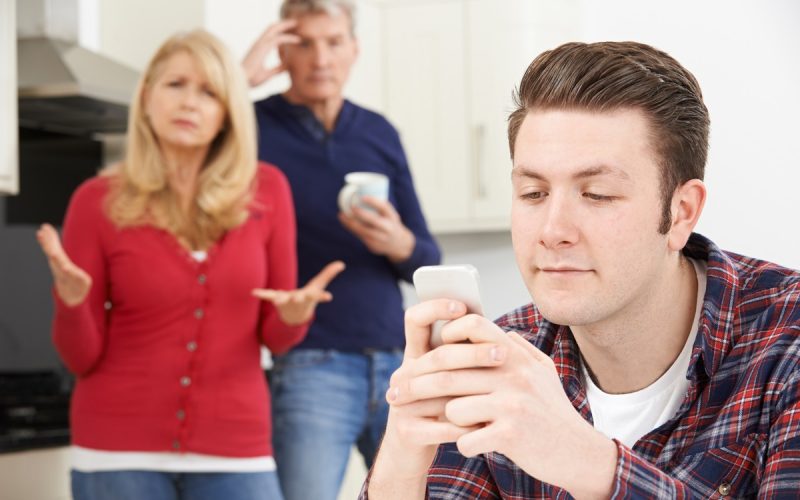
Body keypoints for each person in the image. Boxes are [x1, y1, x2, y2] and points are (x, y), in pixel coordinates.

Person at [364, 41, 800, 498]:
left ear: (681, 212)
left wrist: (587, 462)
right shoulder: (507, 361)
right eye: (533, 194)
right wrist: (402, 461)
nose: (553, 231)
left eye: (597, 195)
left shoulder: (785, 339)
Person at [36, 29, 343, 500]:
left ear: (226, 113)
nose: (189, 103)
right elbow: (79, 358)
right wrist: (72, 302)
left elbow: (276, 339)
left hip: (236, 448)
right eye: (175, 84)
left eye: (209, 92)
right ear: (146, 96)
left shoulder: (267, 191)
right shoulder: (96, 201)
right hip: (116, 454)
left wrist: (293, 316)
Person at [241, 1, 441, 499]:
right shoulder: (248, 127)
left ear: (354, 49)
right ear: (281, 52)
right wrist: (237, 82)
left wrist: (397, 243)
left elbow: (426, 258)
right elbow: (188, 157)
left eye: (333, 42)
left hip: (396, 361)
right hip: (309, 363)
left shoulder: (378, 132)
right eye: (304, 44)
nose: (320, 58)